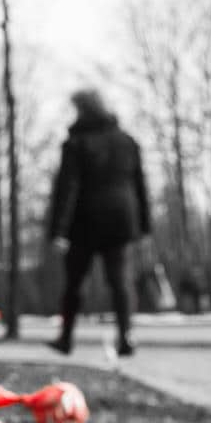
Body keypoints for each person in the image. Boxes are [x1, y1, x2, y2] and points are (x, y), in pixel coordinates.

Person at [44, 89, 151, 356]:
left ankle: (66, 338)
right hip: (122, 220)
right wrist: (145, 226)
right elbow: (140, 187)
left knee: (75, 282)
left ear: (83, 110)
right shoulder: (127, 141)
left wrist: (58, 231)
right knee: (120, 281)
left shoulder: (76, 144)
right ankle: (126, 336)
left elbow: (67, 188)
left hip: (86, 221)